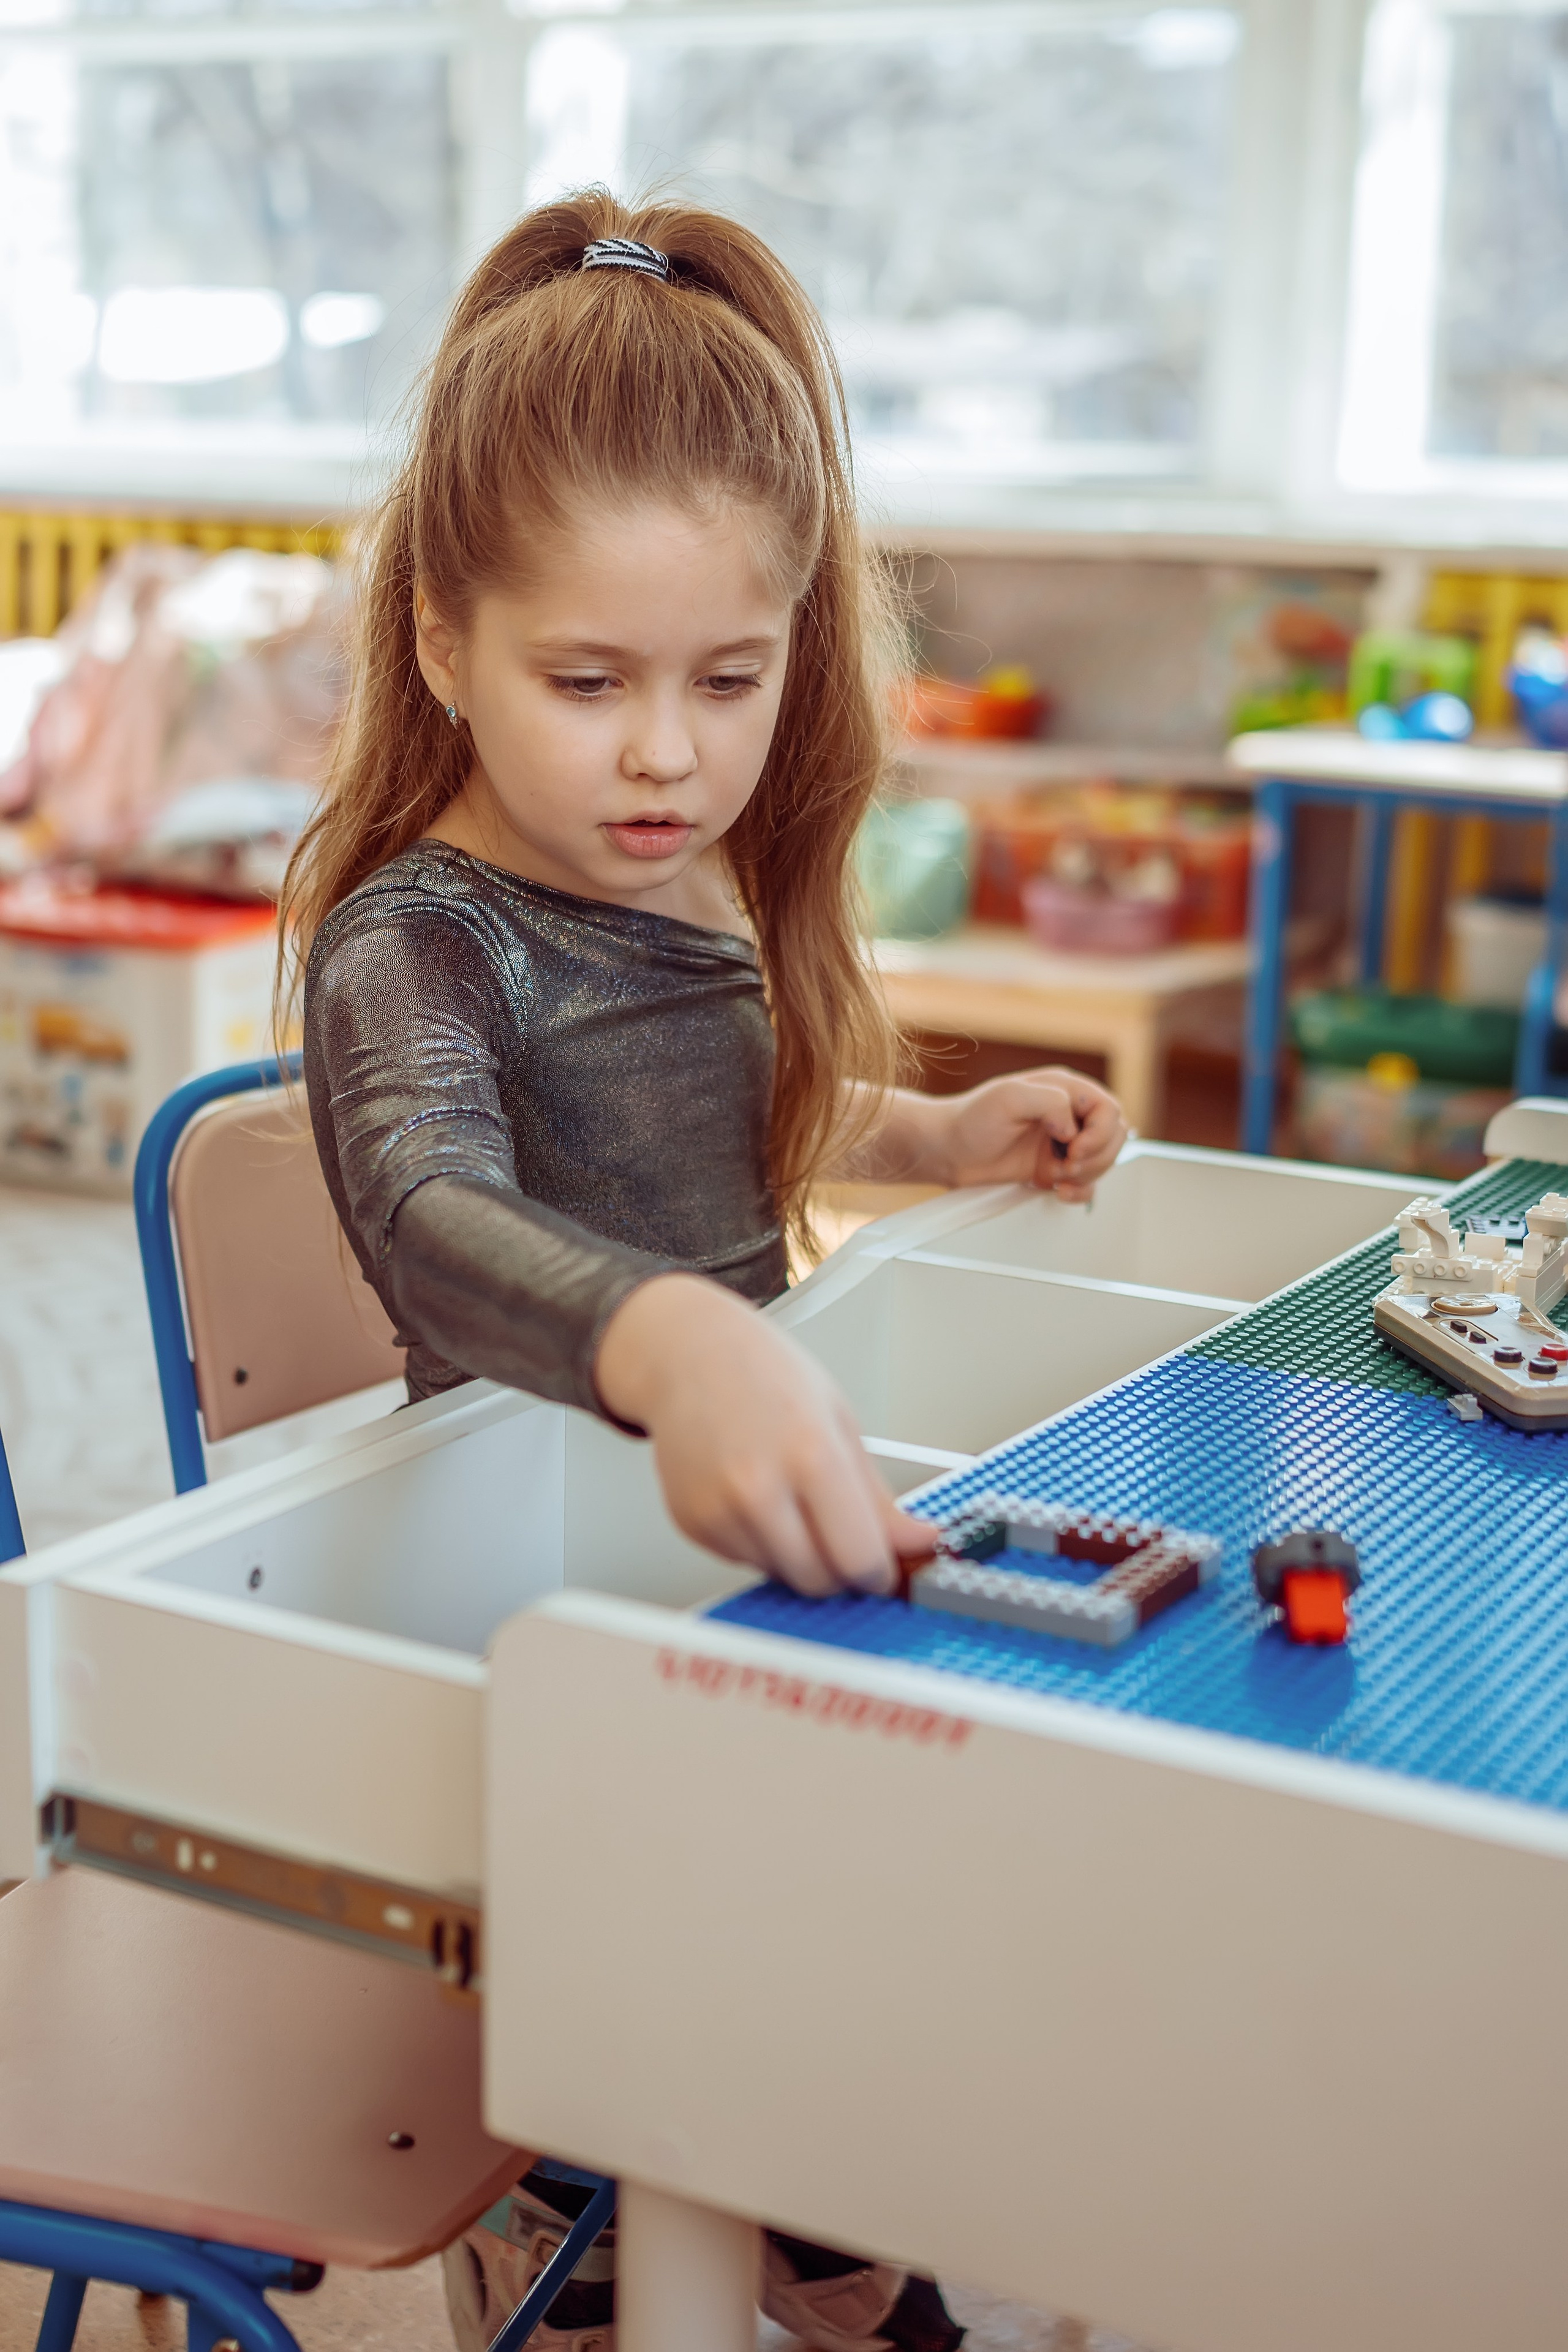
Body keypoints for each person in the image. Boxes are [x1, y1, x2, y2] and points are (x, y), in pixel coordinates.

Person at [282, 192, 1126, 2352]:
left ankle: (797, 2199)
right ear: (444, 641)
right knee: (665, 2030)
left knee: (846, 1942)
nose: (666, 751)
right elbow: (431, 1215)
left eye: (728, 680)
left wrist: (927, 1135)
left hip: (709, 1555)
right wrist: (668, 1340)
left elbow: (712, 1121)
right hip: (536, 1609)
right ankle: (575, 2205)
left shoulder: (678, 870)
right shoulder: (416, 938)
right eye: (589, 683)